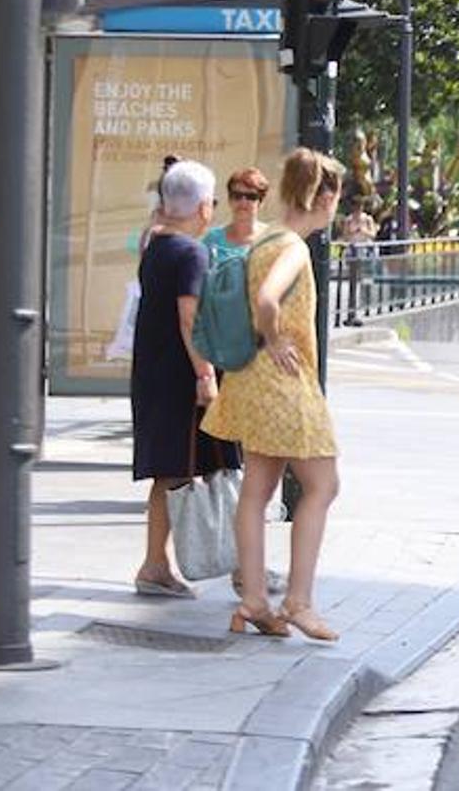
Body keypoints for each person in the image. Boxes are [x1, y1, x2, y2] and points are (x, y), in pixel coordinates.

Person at [202, 148, 345, 641]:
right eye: (337, 198)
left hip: (249, 380)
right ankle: (299, 601)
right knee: (323, 485)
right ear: (324, 197)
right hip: (284, 380)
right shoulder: (293, 248)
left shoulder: (265, 241)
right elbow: (266, 300)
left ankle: (254, 600)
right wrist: (276, 337)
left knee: (256, 490)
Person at [130, 161, 240, 598]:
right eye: (211, 201)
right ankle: (169, 564)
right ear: (202, 207)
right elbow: (188, 315)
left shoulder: (155, 245)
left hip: (154, 372)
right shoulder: (191, 252)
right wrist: (205, 373)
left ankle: (155, 562)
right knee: (182, 468)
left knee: (169, 470)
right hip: (182, 377)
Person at [205, 168, 271, 265]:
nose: (243, 202)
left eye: (251, 197)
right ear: (229, 200)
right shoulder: (212, 239)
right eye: (237, 195)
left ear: (261, 202)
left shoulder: (271, 238)